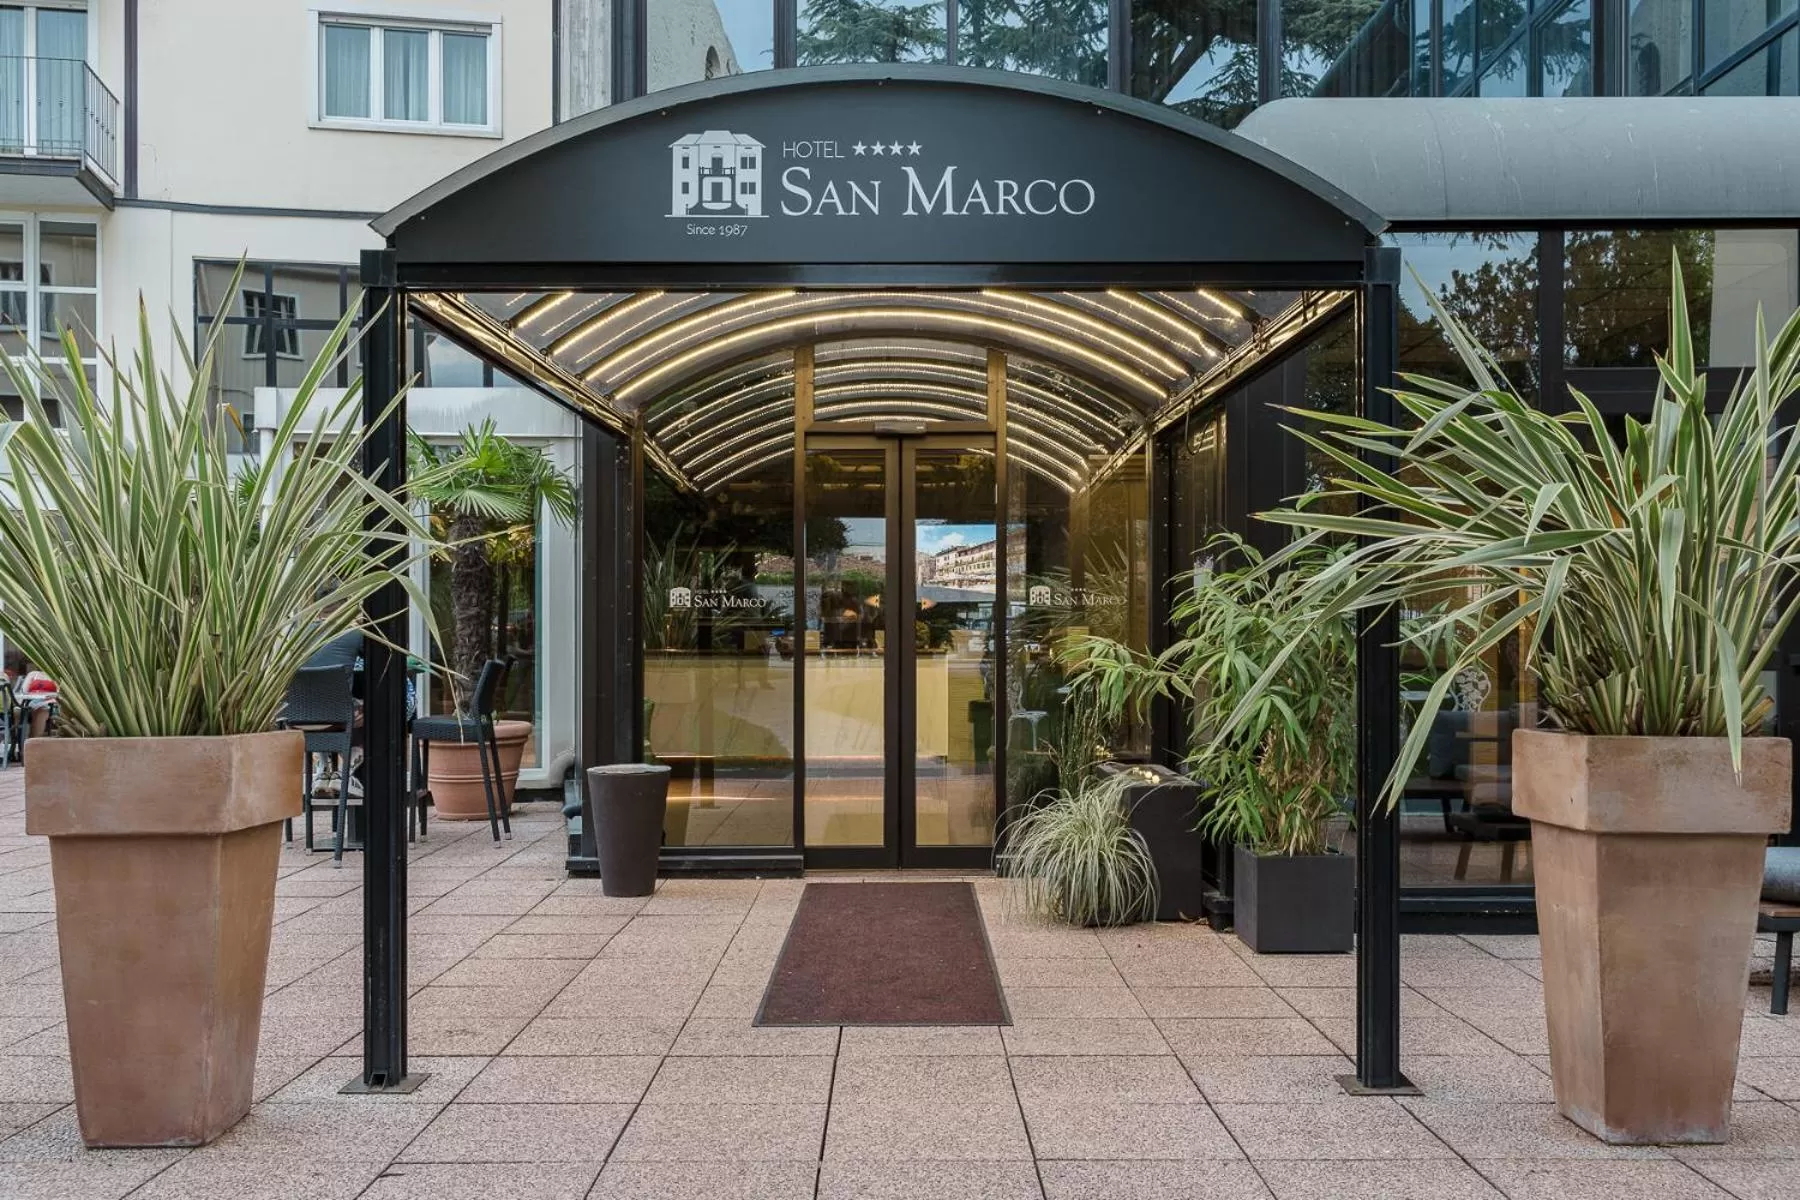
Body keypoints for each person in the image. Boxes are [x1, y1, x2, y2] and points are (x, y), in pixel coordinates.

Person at [4, 649, 56, 740]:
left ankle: (33, 742)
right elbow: (24, 691)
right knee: (16, 712)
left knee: (40, 712)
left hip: (48, 703)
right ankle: (15, 742)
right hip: (31, 702)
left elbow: (59, 694)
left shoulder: (55, 676)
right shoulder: (33, 674)